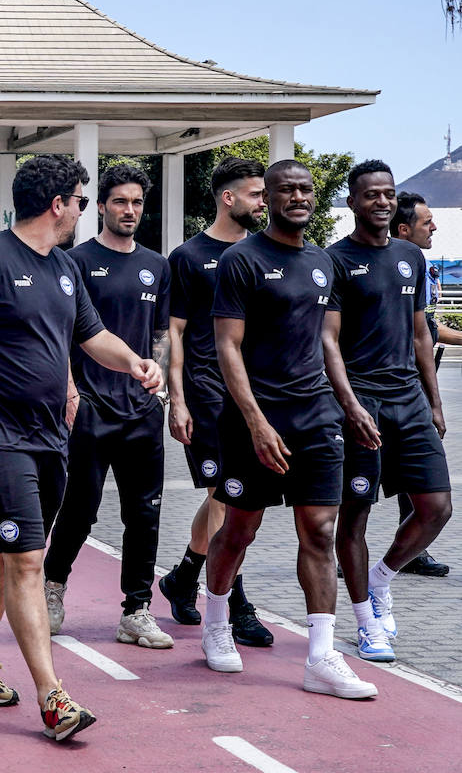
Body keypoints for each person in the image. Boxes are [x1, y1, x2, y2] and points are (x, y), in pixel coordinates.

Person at [0, 154, 161, 741]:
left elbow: (93, 335)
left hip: (52, 436)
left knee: (3, 547)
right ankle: (53, 697)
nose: (83, 210)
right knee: (27, 558)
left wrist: (134, 362)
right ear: (59, 204)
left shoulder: (62, 268)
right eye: (81, 200)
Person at [202, 158, 375, 699]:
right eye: (286, 190)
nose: (297, 197)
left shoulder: (325, 263)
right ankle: (215, 621)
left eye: (306, 190)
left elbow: (327, 342)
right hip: (255, 417)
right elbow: (226, 345)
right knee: (239, 529)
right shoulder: (241, 260)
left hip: (316, 416)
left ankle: (321, 658)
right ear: (267, 199)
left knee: (321, 530)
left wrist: (349, 406)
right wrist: (255, 421)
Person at [325, 161, 452, 662]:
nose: (381, 201)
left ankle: (382, 579)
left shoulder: (409, 257)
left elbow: (422, 332)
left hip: (409, 400)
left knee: (436, 508)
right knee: (354, 515)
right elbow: (327, 340)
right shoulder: (334, 260)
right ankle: (364, 623)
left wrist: (434, 399)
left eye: (388, 194)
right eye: (371, 195)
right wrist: (349, 404)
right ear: (354, 202)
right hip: (362, 403)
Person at [43, 164, 173, 649]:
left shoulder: (157, 266)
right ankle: (53, 588)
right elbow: (63, 335)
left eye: (137, 202)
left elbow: (161, 333)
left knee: (145, 513)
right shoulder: (74, 261)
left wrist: (158, 373)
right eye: (120, 201)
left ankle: (136, 611)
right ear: (100, 205)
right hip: (89, 409)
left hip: (141, 411)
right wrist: (71, 390)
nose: (130, 210)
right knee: (80, 508)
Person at [158, 158, 275, 647]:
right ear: (228, 198)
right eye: (255, 194)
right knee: (226, 499)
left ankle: (183, 577)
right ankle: (234, 604)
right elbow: (175, 333)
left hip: (254, 395)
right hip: (206, 394)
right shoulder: (189, 257)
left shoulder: (266, 254)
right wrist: (176, 399)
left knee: (231, 499)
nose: (263, 202)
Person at [390, 192, 455, 577]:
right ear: (404, 229)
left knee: (416, 473)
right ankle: (350, 556)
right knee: (362, 480)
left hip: (415, 383)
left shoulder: (419, 268)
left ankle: (413, 551)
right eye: (427, 221)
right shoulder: (379, 269)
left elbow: (428, 329)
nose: (434, 226)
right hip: (381, 387)